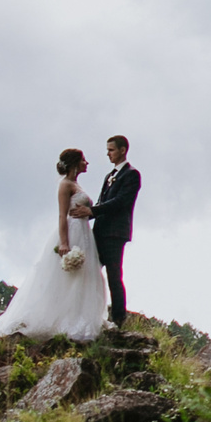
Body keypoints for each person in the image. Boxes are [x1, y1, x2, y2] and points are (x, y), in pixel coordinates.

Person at [0, 148, 105, 341]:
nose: (87, 163)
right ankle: (61, 318)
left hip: (84, 233)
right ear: (75, 163)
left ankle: (78, 315)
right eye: (83, 160)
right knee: (67, 278)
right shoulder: (65, 185)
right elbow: (62, 215)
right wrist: (64, 242)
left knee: (84, 276)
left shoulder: (76, 184)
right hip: (72, 232)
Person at [92, 134, 141, 326]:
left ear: (123, 150)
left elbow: (120, 202)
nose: (108, 154)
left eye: (111, 150)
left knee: (114, 275)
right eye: (107, 150)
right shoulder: (109, 176)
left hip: (115, 233)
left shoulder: (131, 174)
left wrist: (93, 210)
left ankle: (119, 318)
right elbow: (102, 201)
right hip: (100, 231)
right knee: (91, 273)